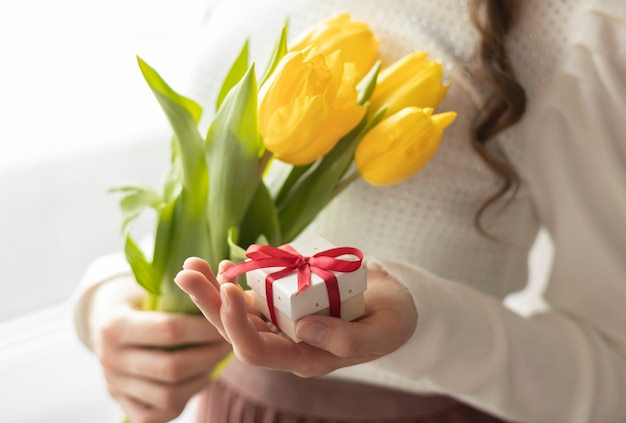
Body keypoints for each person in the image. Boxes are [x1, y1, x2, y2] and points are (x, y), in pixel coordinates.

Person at [73, 0, 626, 422]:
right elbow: (206, 186)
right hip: (228, 404)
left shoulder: (575, 24)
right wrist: (112, 300)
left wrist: (421, 323)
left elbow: (613, 372)